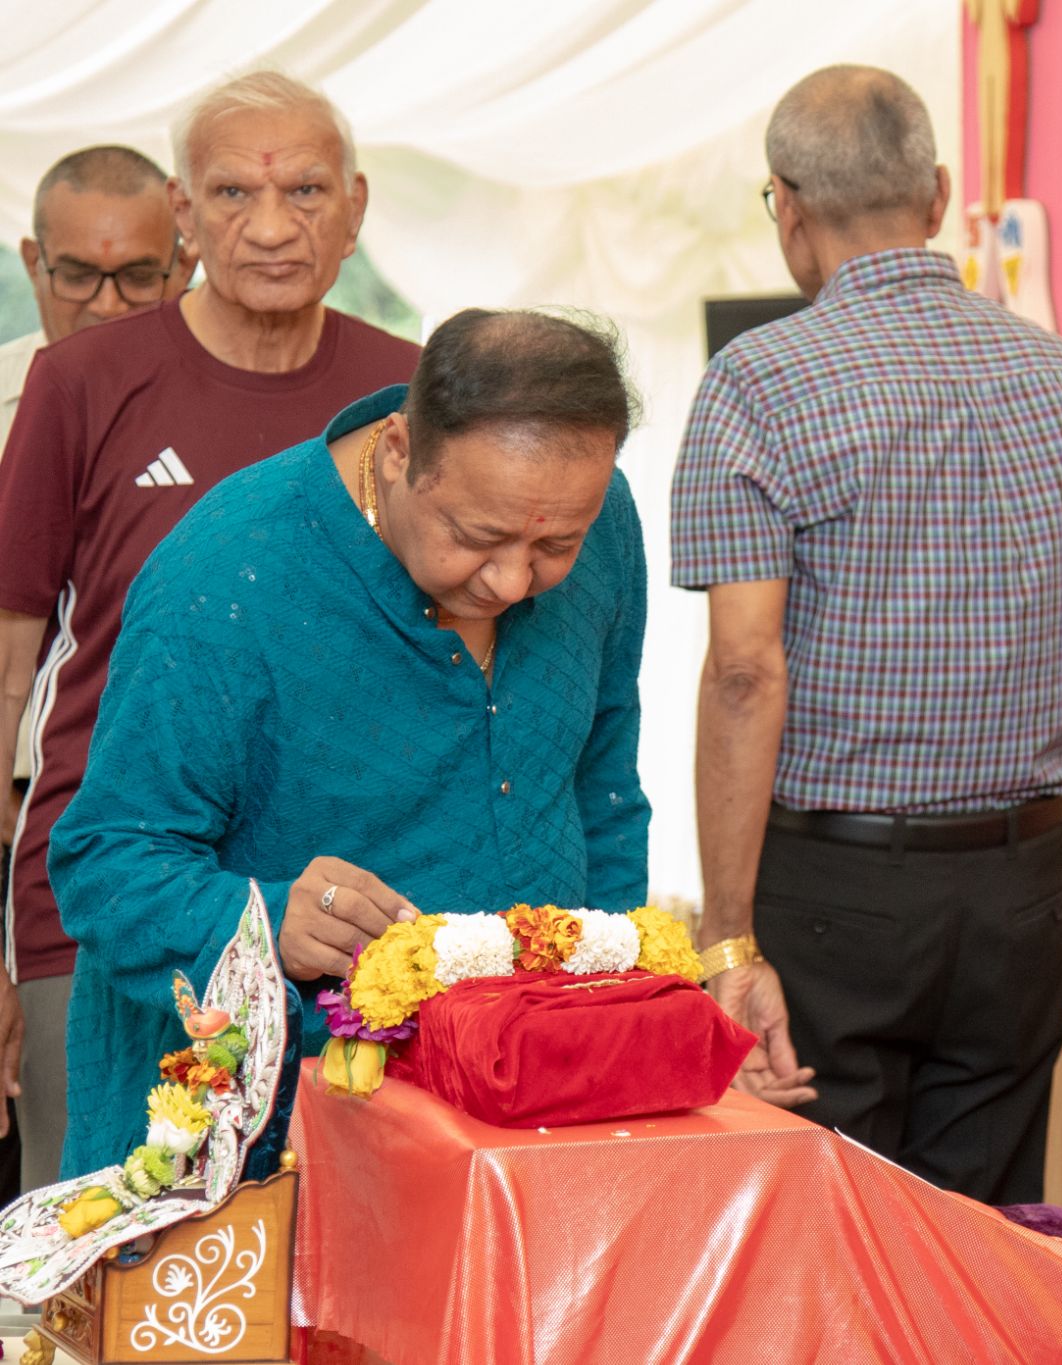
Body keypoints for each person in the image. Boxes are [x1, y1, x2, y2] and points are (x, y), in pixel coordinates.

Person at [671, 64, 1062, 1203]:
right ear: (938, 195)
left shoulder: (759, 383)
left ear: (785, 208)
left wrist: (730, 942)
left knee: (824, 1226)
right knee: (980, 1236)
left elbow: (746, 671)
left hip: (833, 890)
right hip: (1030, 879)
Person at [49, 307, 651, 1176]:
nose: (516, 580)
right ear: (400, 451)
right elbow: (105, 862)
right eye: (476, 538)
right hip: (260, 1155)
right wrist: (256, 920)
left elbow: (601, 777)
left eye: (554, 544)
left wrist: (621, 1005)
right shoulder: (226, 577)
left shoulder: (599, 520)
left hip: (530, 1131)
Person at [0, 73, 420, 1195]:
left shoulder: (411, 393)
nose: (272, 226)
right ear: (183, 214)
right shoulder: (80, 381)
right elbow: (9, 676)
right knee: (105, 1250)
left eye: (305, 190)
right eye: (233, 191)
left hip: (358, 925)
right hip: (109, 905)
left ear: (357, 205)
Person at [0, 146, 193, 1180]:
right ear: (34, 263)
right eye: (79, 274)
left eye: (139, 276)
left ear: (183, 265)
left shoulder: (211, 396)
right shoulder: (29, 394)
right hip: (36, 834)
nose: (107, 304)